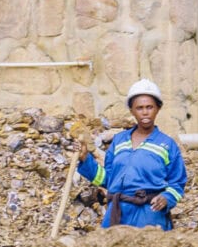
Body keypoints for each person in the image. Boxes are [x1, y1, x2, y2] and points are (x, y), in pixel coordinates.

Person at [77, 79, 187, 230]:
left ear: (158, 108)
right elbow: (108, 179)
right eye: (139, 108)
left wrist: (167, 197)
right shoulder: (119, 141)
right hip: (118, 213)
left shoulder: (167, 145)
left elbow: (177, 182)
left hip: (149, 213)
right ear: (132, 111)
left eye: (149, 107)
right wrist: (85, 159)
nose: (145, 112)